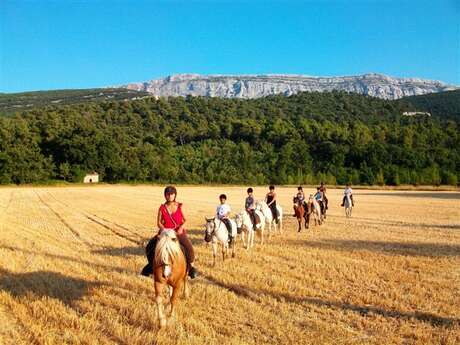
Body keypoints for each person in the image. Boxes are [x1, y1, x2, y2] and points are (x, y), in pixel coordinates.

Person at [141, 186, 198, 279]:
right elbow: (159, 222)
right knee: (150, 247)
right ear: (165, 195)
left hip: (178, 232)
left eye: (172, 194)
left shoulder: (180, 206)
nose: (170, 196)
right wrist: (164, 230)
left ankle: (190, 268)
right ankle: (151, 267)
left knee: (189, 248)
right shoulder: (162, 208)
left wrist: (181, 228)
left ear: (175, 195)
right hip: (165, 232)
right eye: (168, 194)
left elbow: (185, 220)